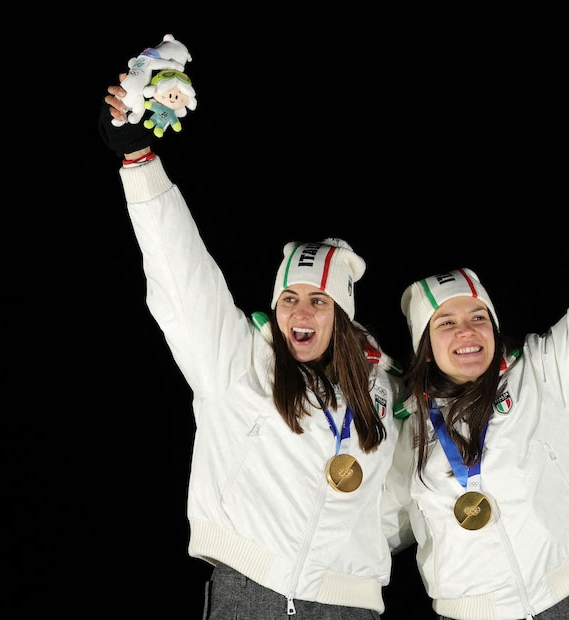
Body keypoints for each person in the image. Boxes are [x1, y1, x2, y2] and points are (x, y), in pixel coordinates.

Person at [100, 75, 407, 619]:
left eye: (319, 300)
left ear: (343, 314)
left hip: (349, 603)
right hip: (251, 592)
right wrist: (140, 164)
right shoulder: (238, 358)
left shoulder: (386, 387)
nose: (301, 312)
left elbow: (398, 494)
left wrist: (355, 561)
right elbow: (181, 274)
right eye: (289, 297)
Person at [382, 117, 569, 619]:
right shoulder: (405, 423)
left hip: (563, 600)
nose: (466, 331)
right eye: (446, 323)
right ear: (424, 346)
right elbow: (373, 520)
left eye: (478, 316)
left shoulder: (548, 376)